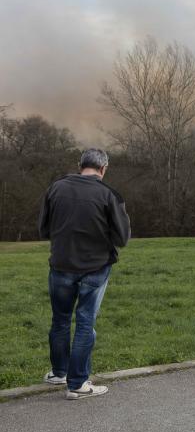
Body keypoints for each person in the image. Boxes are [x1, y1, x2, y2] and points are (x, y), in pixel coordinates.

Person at [38, 148, 131, 399]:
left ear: (80, 165)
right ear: (103, 168)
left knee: (60, 321)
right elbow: (122, 238)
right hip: (95, 267)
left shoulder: (55, 188)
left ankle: (59, 373)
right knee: (85, 322)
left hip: (60, 265)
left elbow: (43, 229)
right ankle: (77, 383)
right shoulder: (110, 195)